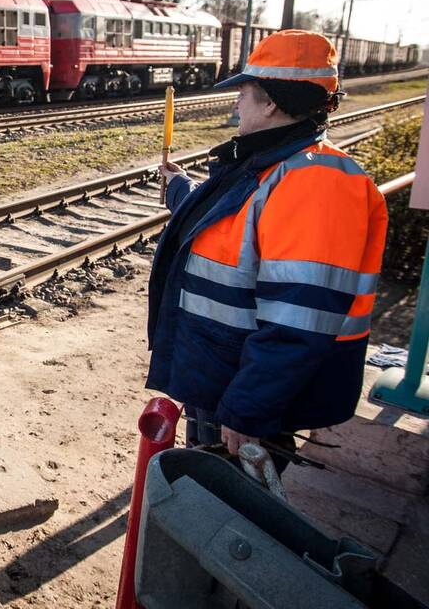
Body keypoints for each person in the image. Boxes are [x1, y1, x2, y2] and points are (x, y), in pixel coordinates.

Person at [146, 29, 388, 471]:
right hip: (224, 374)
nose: (236, 103)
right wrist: (180, 189)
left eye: (244, 92)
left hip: (248, 393)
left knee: (228, 514)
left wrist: (249, 408)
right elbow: (231, 229)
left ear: (271, 101)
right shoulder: (274, 162)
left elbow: (300, 318)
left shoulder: (318, 186)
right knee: (205, 497)